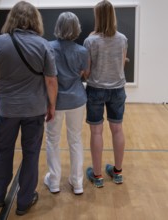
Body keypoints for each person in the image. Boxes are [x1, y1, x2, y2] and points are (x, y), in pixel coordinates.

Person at [0, 1, 58, 216]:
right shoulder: (44, 45)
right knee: (31, 154)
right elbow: (51, 81)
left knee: (3, 151)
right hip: (34, 110)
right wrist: (51, 105)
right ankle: (24, 201)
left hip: (6, 111)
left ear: (12, 19)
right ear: (35, 20)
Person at [83, 0, 128, 188]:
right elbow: (122, 64)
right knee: (117, 129)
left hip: (95, 90)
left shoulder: (90, 41)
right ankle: (117, 173)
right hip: (117, 89)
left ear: (98, 17)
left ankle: (98, 175)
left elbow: (86, 71)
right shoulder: (122, 38)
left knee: (96, 131)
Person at [44, 12, 89, 195]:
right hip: (77, 100)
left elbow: (46, 76)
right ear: (77, 28)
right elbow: (85, 73)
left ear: (58, 27)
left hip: (54, 101)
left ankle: (54, 181)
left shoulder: (48, 47)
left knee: (52, 140)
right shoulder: (82, 51)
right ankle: (77, 182)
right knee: (75, 140)